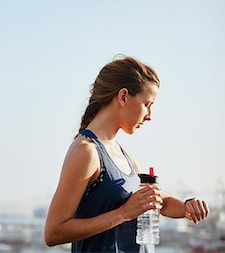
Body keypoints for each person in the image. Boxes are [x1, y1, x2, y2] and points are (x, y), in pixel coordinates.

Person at [44, 54, 209, 253]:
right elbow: (53, 232)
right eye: (147, 104)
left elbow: (157, 200)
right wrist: (123, 213)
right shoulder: (86, 152)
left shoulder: (124, 154)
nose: (149, 116)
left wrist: (186, 207)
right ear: (123, 96)